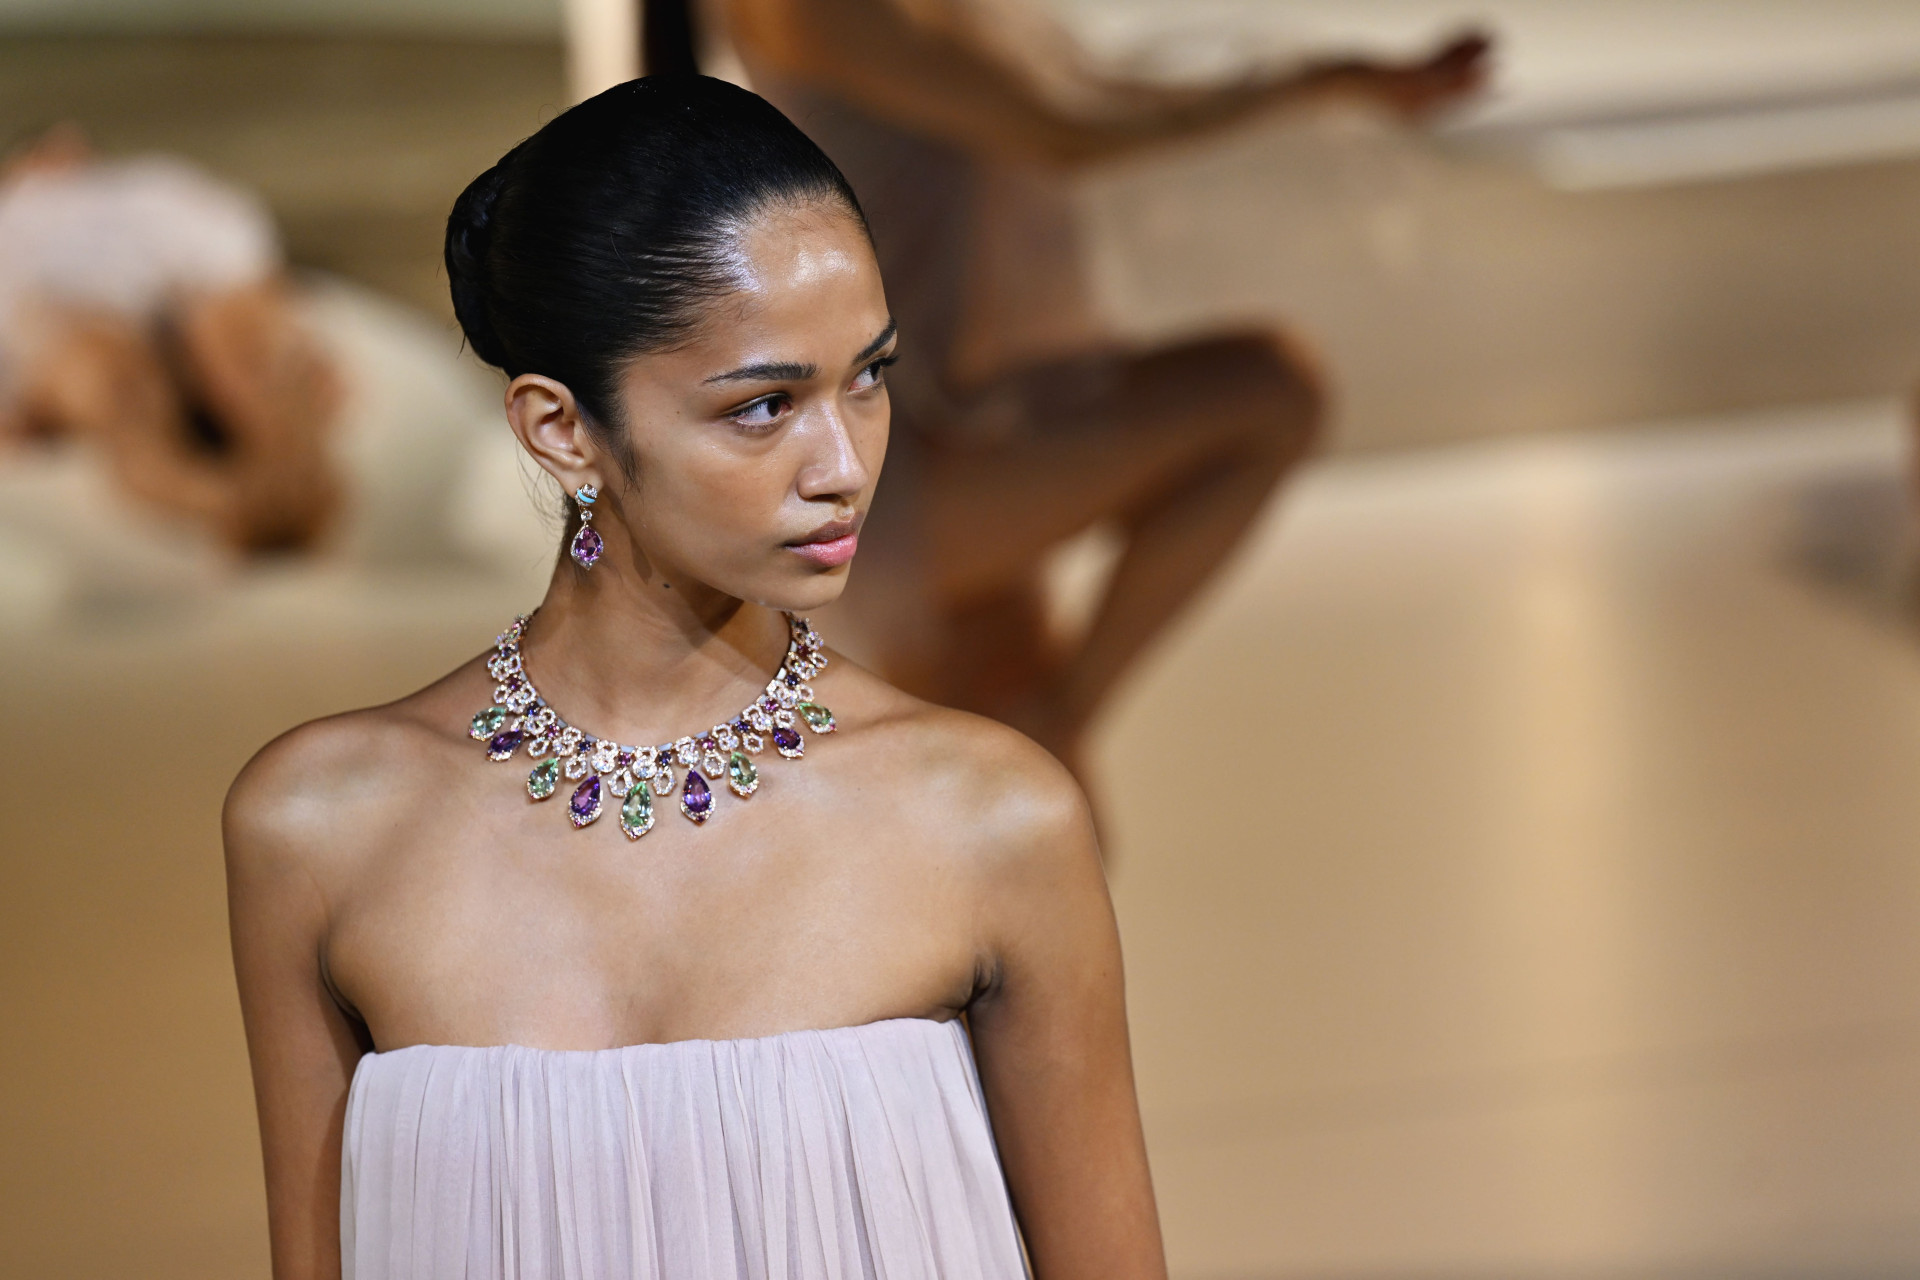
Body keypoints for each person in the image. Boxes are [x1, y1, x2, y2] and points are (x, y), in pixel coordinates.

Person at [225, 76, 1160, 1280]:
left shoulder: (989, 817)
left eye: (870, 376)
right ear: (563, 430)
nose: (843, 464)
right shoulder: (320, 827)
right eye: (766, 405)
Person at [684, 0, 1489, 777]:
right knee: (1269, 394)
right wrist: (1325, 82)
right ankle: (1062, 715)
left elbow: (1096, 96)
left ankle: (1057, 720)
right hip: (892, 469)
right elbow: (1065, 130)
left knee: (1017, 803)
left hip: (980, 419)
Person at [0, 125, 342, 552]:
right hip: (64, 305)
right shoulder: (11, 214)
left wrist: (283, 323)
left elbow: (239, 261)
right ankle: (227, 504)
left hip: (181, 280)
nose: (63, 143)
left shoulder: (144, 182)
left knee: (245, 347)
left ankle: (294, 478)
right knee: (111, 381)